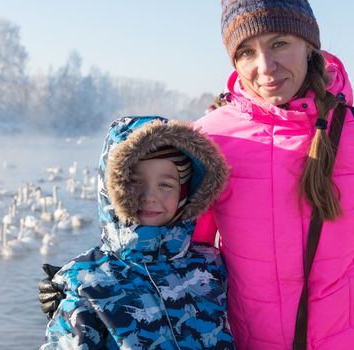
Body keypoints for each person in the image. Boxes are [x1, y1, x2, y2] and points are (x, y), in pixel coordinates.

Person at [39, 0, 354, 348]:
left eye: (280, 43)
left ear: (309, 45)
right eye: (247, 51)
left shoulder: (349, 133)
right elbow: (170, 250)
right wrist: (82, 288)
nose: (265, 66)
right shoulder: (211, 141)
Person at [40, 116, 234, 349]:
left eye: (166, 184)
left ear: (185, 194)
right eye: (134, 181)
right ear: (111, 188)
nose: (150, 196)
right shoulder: (89, 283)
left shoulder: (209, 265)